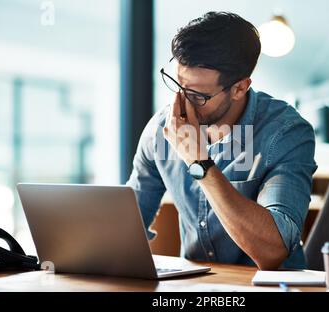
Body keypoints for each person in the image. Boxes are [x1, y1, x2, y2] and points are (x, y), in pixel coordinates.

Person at [126, 11, 317, 270]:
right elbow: (127, 226)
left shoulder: (286, 133)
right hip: (195, 288)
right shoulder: (162, 129)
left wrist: (199, 162)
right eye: (176, 84)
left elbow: (274, 251)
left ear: (239, 88)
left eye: (197, 95)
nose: (181, 103)